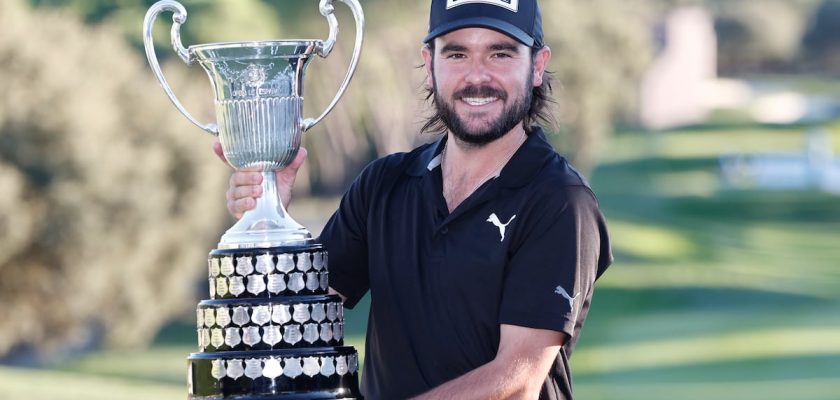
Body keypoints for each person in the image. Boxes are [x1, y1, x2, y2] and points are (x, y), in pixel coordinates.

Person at [217, 0, 612, 398]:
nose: (477, 76)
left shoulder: (559, 200)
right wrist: (268, 222)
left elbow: (516, 381)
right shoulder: (384, 185)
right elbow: (299, 324)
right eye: (457, 53)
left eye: (500, 53)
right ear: (429, 64)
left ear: (537, 65)